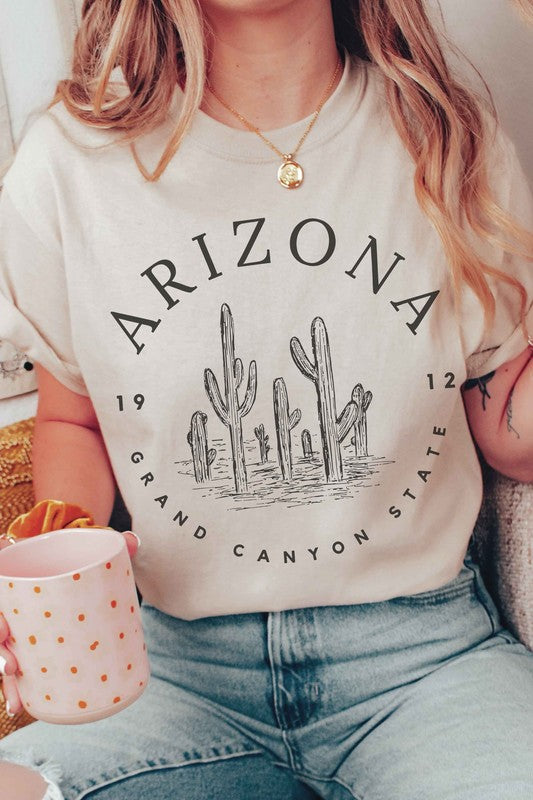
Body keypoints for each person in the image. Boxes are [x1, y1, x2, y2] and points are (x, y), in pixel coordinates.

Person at [0, 0, 532, 797]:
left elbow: (506, 428)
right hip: (170, 676)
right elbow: (74, 415)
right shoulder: (68, 164)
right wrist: (63, 550)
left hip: (424, 661)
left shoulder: (446, 136)